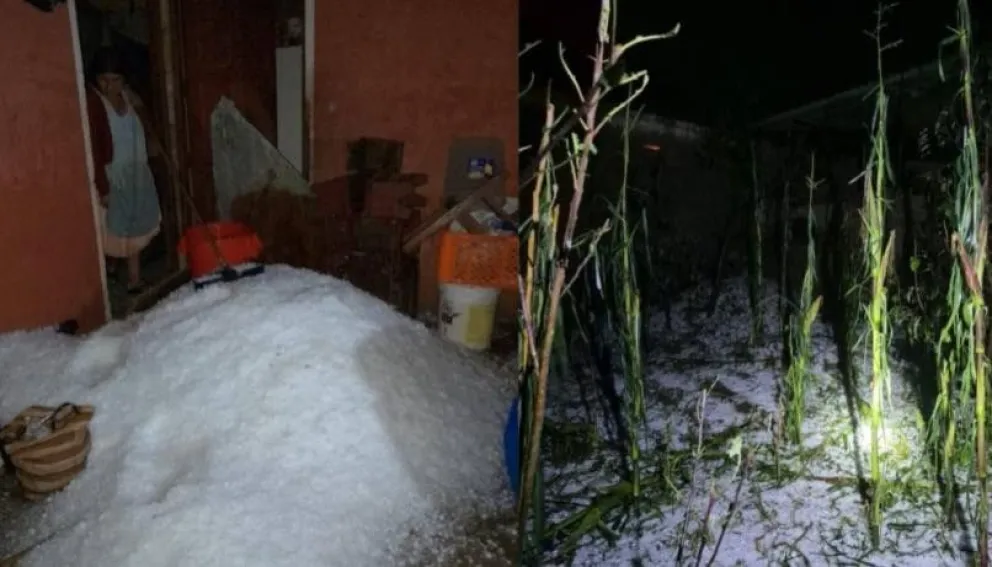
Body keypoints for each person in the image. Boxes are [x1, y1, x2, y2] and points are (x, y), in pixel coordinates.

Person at [85, 47, 162, 295]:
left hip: (137, 173)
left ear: (124, 80)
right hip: (114, 175)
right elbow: (94, 148)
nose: (109, 85)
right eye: (103, 79)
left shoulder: (129, 99)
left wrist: (140, 106)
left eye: (115, 79)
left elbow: (144, 126)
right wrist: (103, 187)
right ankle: (110, 267)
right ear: (96, 79)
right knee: (114, 228)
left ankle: (133, 279)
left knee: (135, 225)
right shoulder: (95, 105)